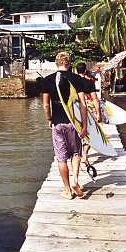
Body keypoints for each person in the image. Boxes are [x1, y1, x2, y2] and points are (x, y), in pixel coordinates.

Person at [41, 52, 88, 200]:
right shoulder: (77, 79)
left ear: (56, 64)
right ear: (69, 64)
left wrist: (49, 118)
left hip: (57, 123)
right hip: (72, 123)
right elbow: (83, 104)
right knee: (75, 153)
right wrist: (85, 126)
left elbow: (45, 105)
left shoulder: (48, 80)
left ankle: (68, 190)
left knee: (61, 158)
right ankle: (75, 180)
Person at [75, 62, 101, 177]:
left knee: (77, 133)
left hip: (75, 111)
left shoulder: (72, 81)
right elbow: (95, 99)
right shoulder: (89, 82)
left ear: (76, 71)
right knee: (88, 134)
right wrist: (98, 114)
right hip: (88, 110)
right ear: (85, 71)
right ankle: (84, 155)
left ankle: (78, 155)